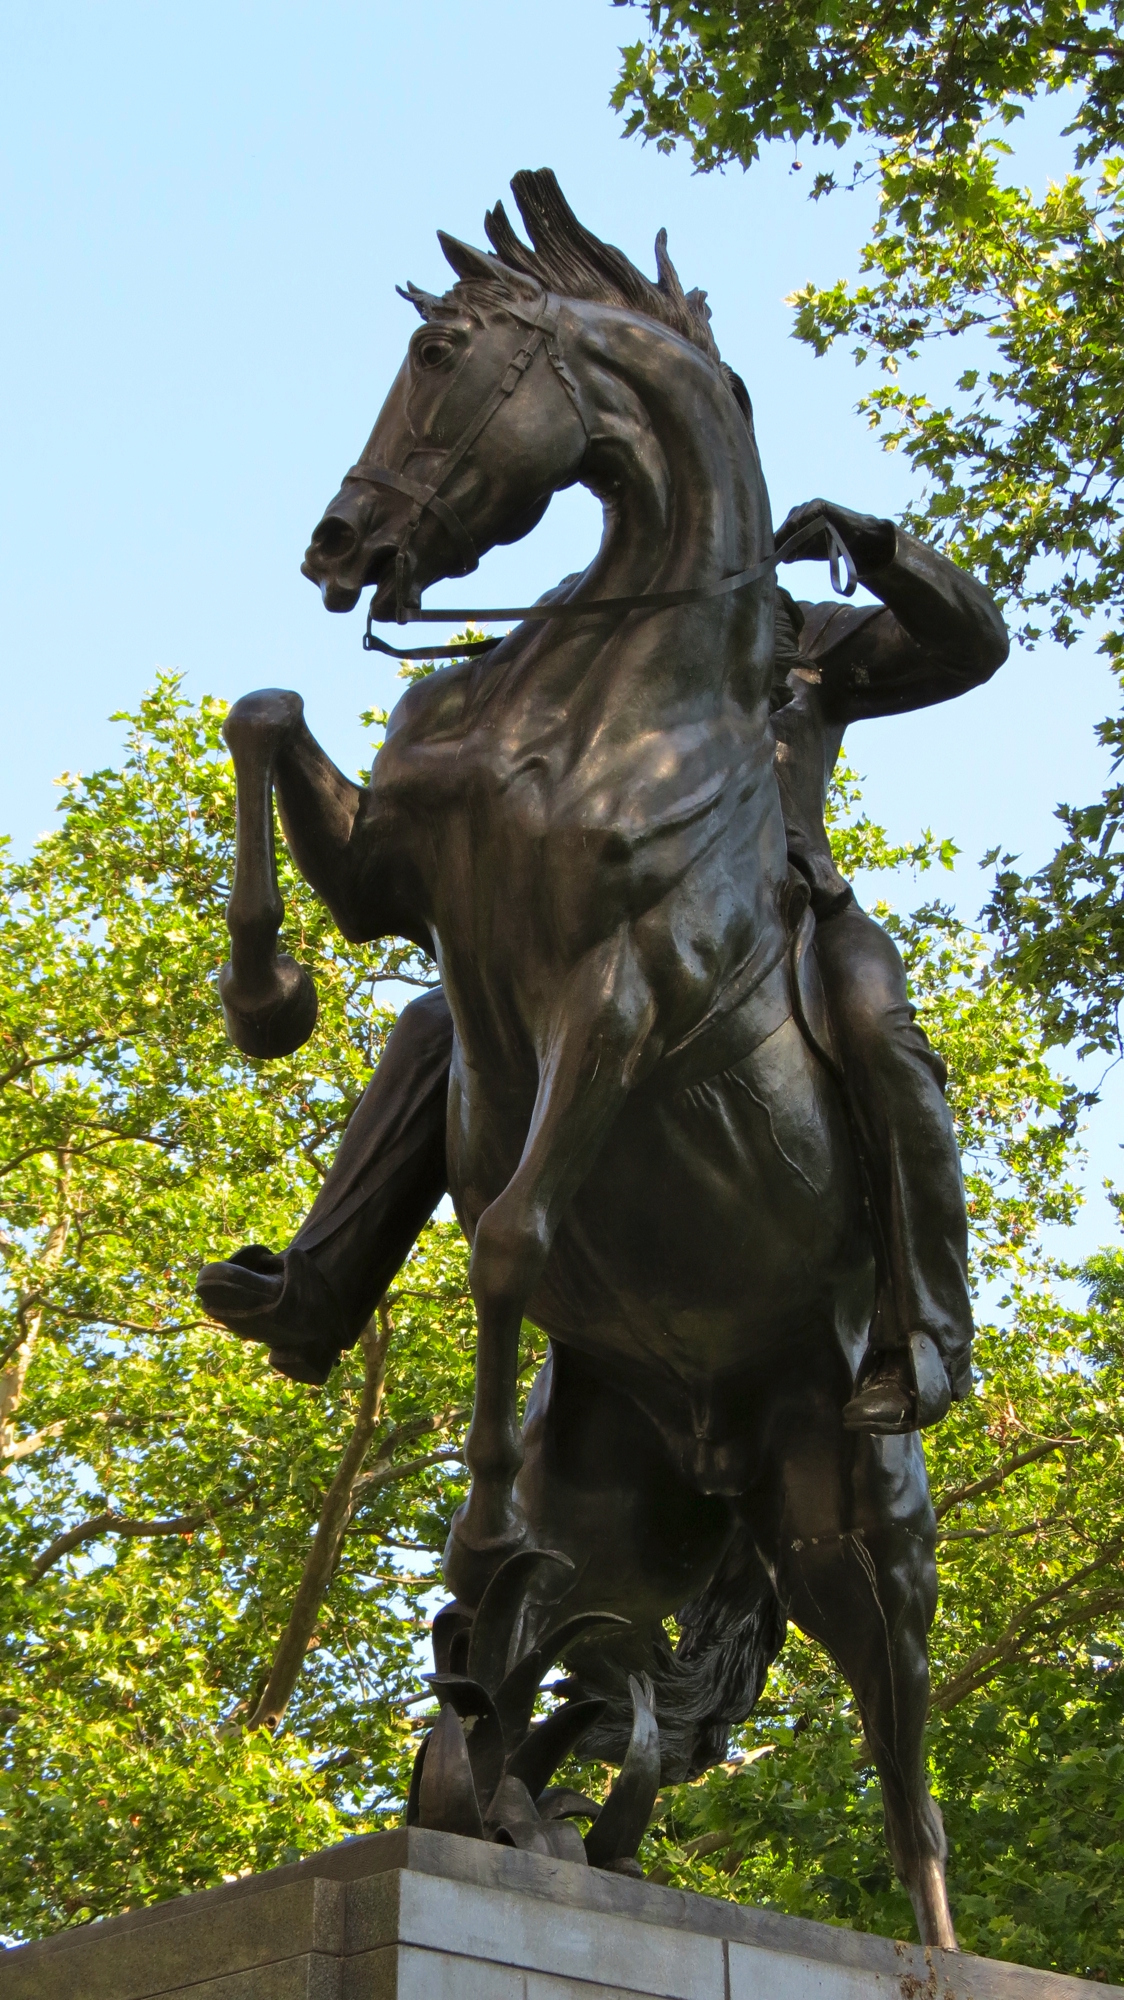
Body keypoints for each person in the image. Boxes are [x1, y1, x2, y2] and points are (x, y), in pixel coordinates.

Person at [197, 498, 1008, 1434]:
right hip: (589, 926)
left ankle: (928, 1335)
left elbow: (969, 648)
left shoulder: (798, 628)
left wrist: (874, 547)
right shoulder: (573, 626)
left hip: (780, 909)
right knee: (439, 1023)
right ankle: (322, 1287)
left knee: (879, 1032)